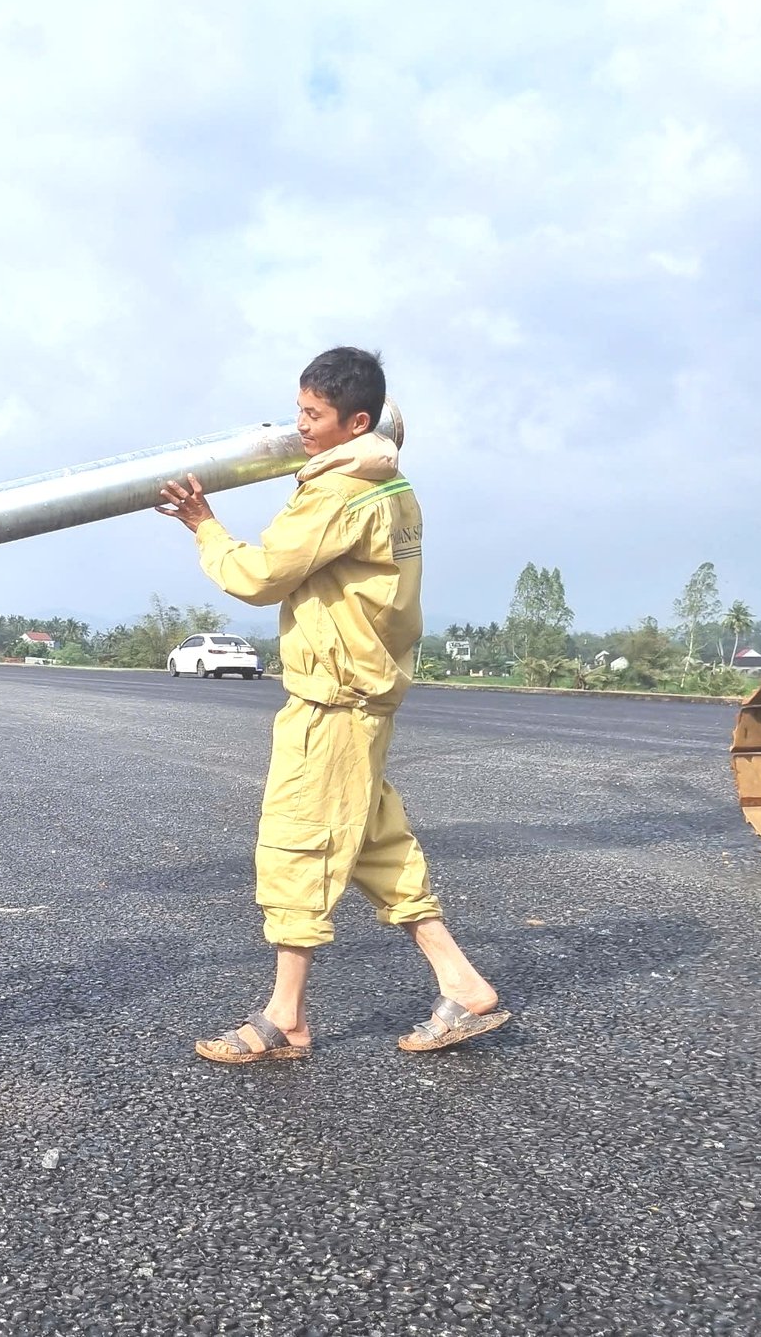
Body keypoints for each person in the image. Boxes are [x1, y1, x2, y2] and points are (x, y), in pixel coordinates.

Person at [155, 346, 508, 1063]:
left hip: (332, 703)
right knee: (379, 849)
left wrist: (204, 526)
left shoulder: (340, 492)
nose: (300, 429)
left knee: (297, 843)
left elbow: (259, 575)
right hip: (364, 696)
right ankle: (463, 984)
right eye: (298, 412)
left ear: (356, 422)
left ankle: (285, 1017)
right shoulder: (390, 487)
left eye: (313, 417)